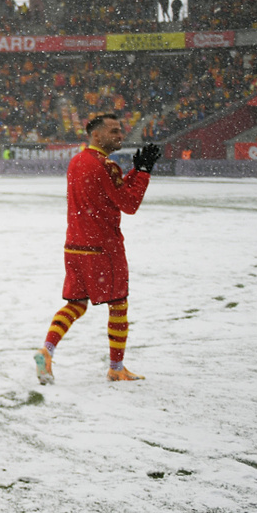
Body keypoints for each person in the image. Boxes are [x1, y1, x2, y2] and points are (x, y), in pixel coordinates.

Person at [35, 114, 158, 385]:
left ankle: (47, 350)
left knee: (76, 304)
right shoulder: (106, 165)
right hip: (103, 248)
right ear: (96, 135)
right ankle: (116, 367)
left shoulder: (78, 161)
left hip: (75, 245)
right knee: (119, 305)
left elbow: (107, 192)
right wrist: (144, 172)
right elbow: (128, 203)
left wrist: (135, 171)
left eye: (121, 131)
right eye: (113, 131)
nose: (120, 136)